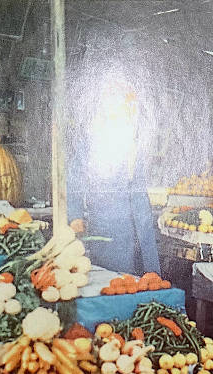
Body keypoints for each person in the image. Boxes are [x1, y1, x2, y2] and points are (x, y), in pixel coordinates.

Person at [67, 81, 160, 276]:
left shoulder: (135, 144)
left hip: (137, 227)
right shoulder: (91, 142)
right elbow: (74, 180)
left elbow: (140, 193)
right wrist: (74, 215)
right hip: (106, 227)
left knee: (144, 282)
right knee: (112, 281)